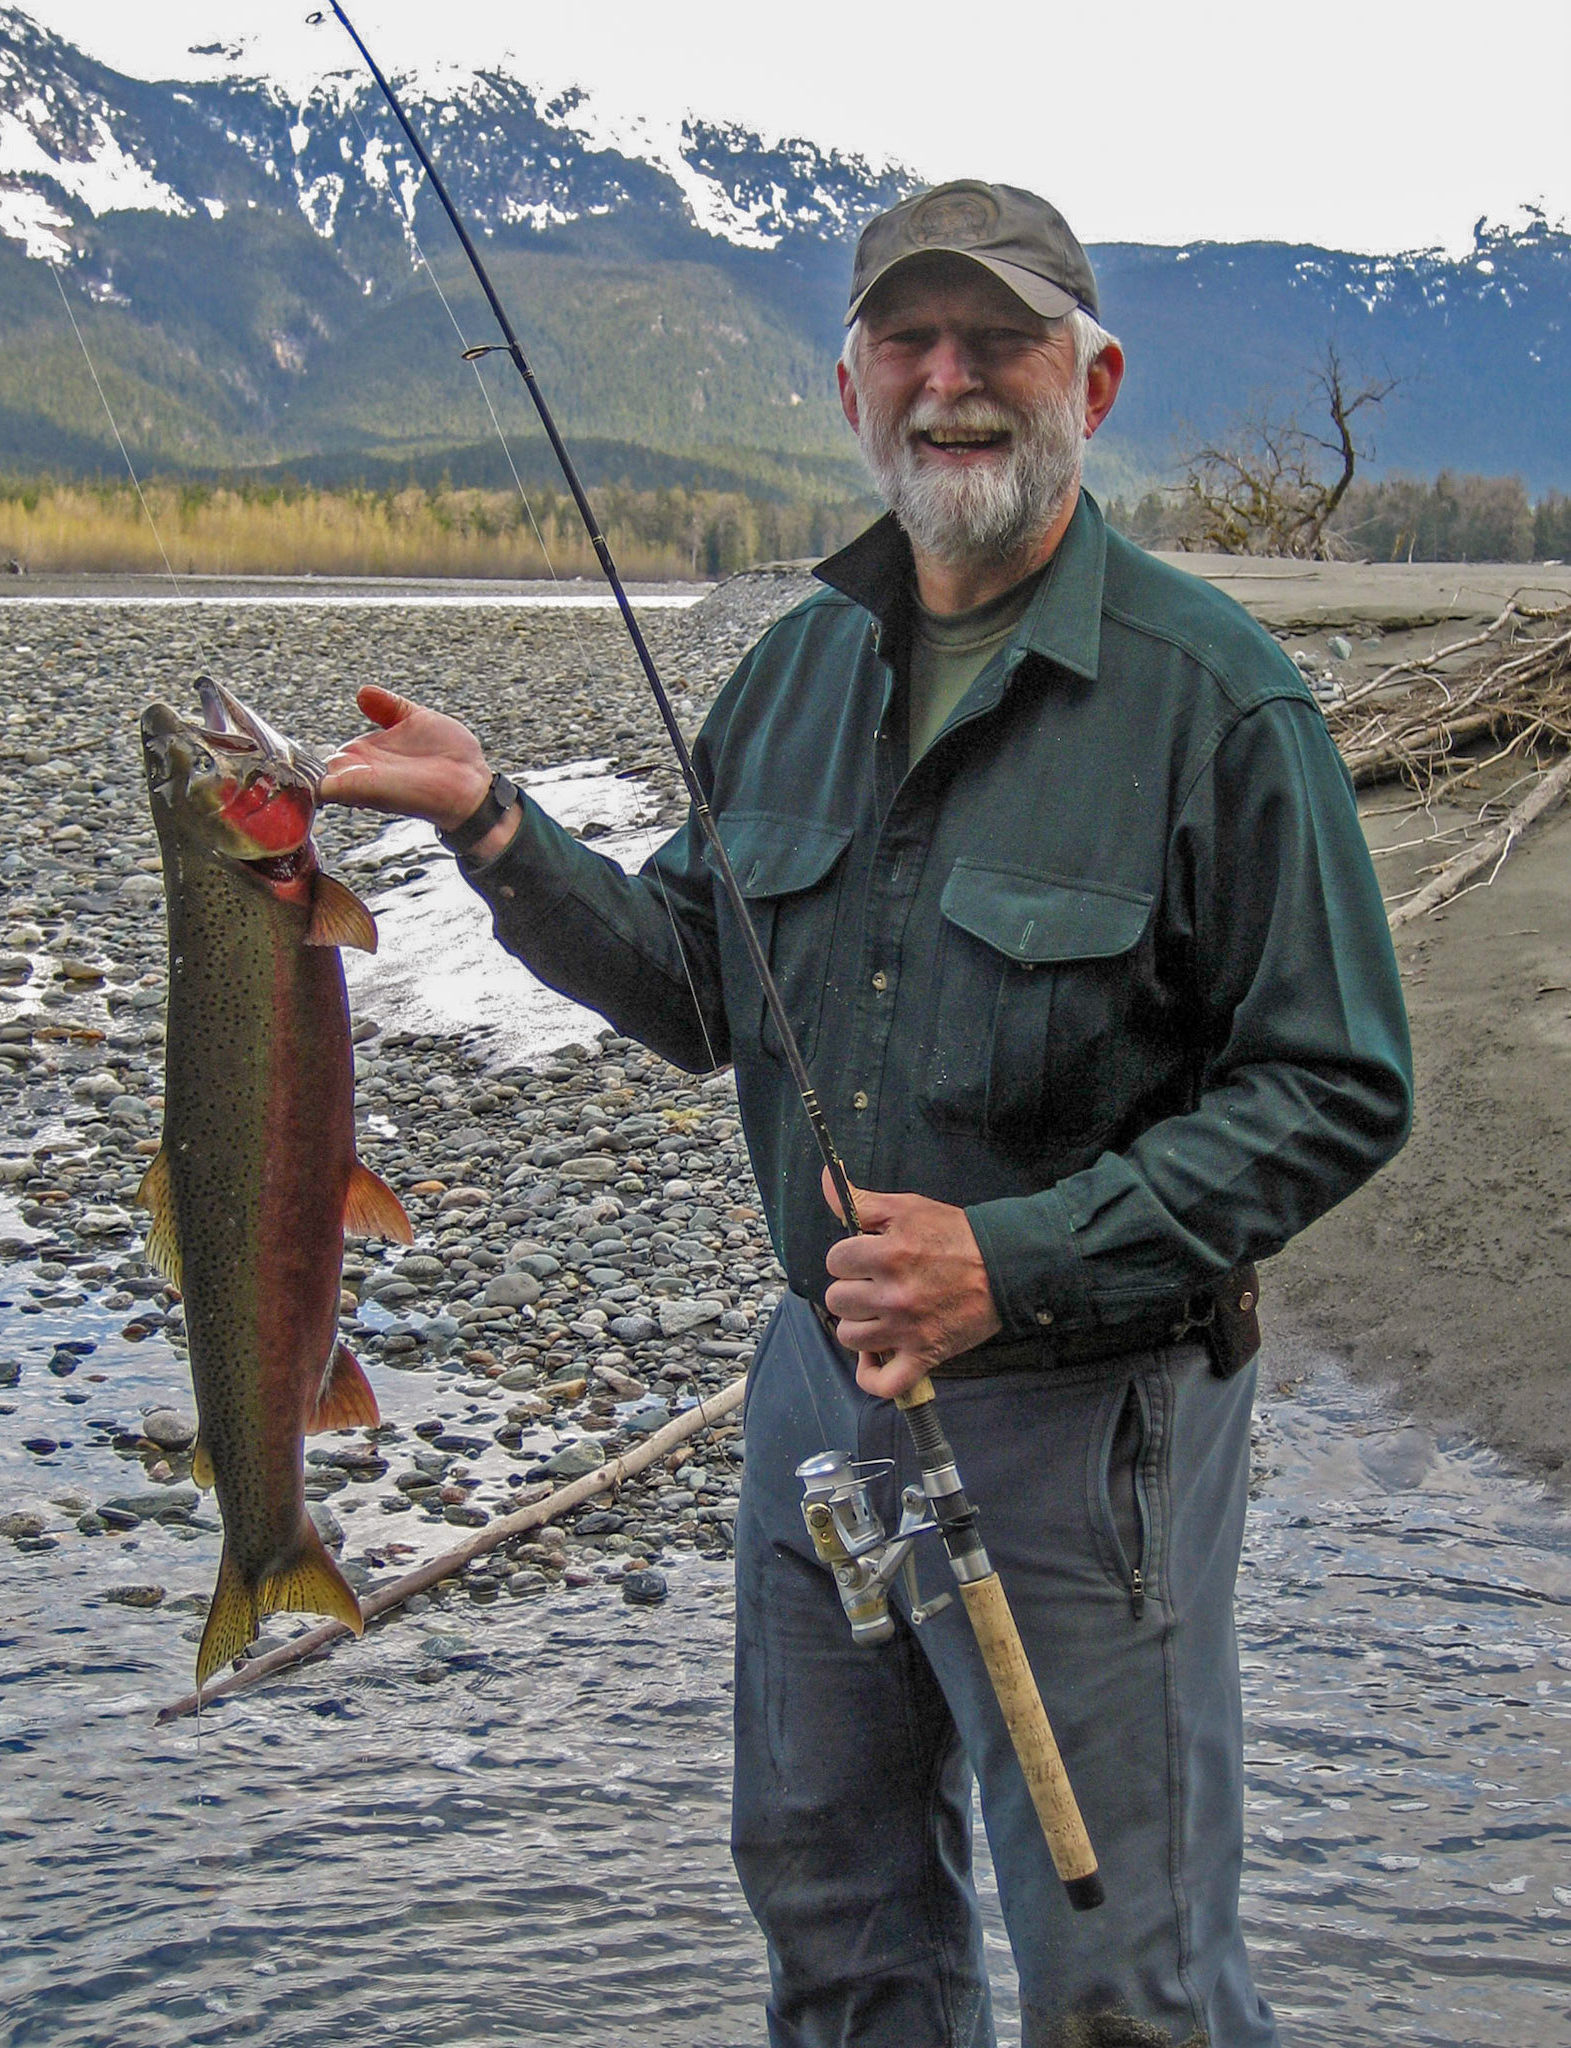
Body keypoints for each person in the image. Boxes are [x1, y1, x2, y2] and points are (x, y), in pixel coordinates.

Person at [322, 179, 1413, 2048]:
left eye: (996, 342)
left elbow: (1336, 1084)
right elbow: (695, 983)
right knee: (834, 1918)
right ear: (848, 391)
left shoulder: (1216, 700)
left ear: (1096, 377)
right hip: (817, 1399)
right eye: (906, 343)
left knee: (1120, 1982)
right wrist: (497, 828)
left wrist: (1012, 1259)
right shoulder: (791, 674)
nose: (949, 382)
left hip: (1092, 1419)